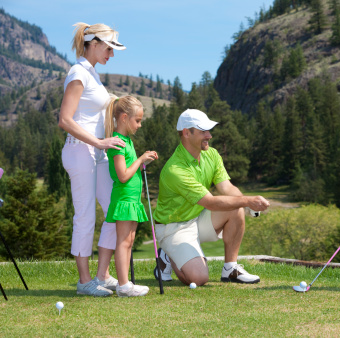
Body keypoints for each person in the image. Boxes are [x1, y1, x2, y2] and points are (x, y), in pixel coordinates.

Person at [153, 109, 270, 286]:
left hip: (197, 219)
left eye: (209, 130)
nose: (209, 135)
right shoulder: (175, 169)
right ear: (186, 133)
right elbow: (211, 202)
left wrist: (247, 204)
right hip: (173, 228)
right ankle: (168, 254)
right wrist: (248, 201)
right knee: (199, 278)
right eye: (203, 131)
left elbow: (226, 187)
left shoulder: (211, 154)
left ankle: (230, 269)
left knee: (235, 206)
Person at [59, 22, 127, 296]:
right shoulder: (78, 73)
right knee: (85, 216)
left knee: (113, 209)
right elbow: (65, 119)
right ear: (95, 43)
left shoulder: (92, 74)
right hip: (80, 152)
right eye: (109, 48)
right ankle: (84, 281)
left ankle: (102, 274)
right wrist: (99, 141)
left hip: (95, 155)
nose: (111, 54)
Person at [104, 95, 158, 297]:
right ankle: (124, 285)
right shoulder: (118, 143)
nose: (140, 125)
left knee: (129, 240)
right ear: (125, 118)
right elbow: (123, 175)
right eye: (137, 120)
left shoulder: (127, 141)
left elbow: (130, 169)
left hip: (132, 200)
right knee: (123, 242)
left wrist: (144, 161)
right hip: (124, 198)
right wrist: (141, 158)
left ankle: (125, 283)